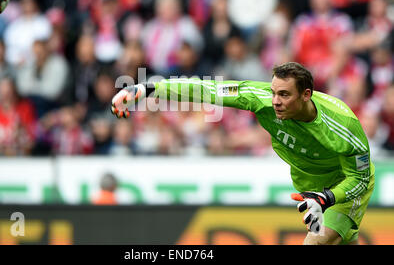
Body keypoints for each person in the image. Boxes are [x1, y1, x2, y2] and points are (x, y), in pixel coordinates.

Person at [111, 62, 375, 245]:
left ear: (306, 95)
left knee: (317, 241)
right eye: (273, 93)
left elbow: (360, 178)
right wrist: (147, 89)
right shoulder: (259, 98)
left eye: (284, 95)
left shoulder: (343, 125)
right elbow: (207, 90)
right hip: (308, 189)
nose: (275, 101)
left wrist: (328, 197)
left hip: (343, 188)